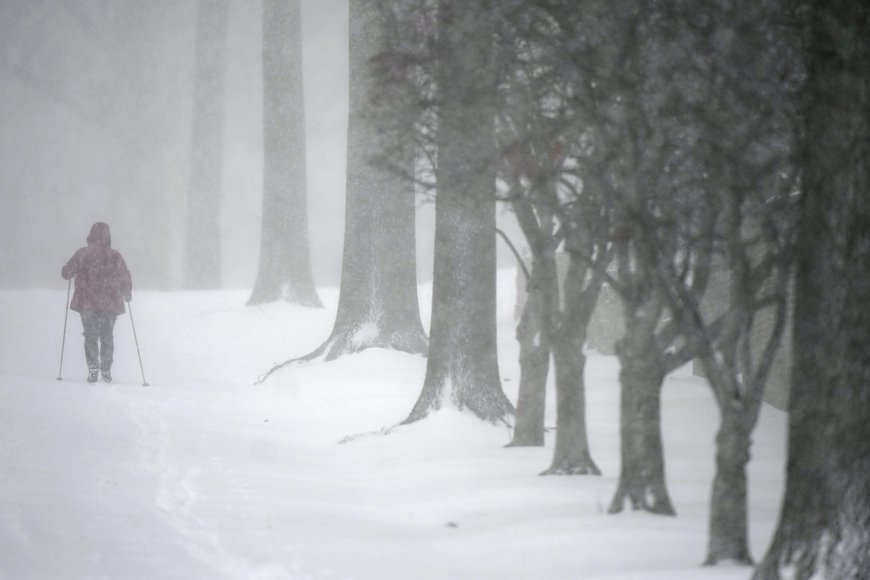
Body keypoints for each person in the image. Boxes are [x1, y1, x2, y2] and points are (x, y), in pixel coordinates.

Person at [61, 222, 132, 383]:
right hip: (110, 302)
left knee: (90, 336)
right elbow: (124, 275)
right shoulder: (114, 255)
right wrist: (126, 291)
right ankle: (106, 369)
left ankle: (93, 367)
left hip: (87, 302)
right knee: (107, 337)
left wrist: (68, 272)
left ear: (90, 235)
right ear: (108, 236)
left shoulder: (82, 254)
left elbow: (66, 273)